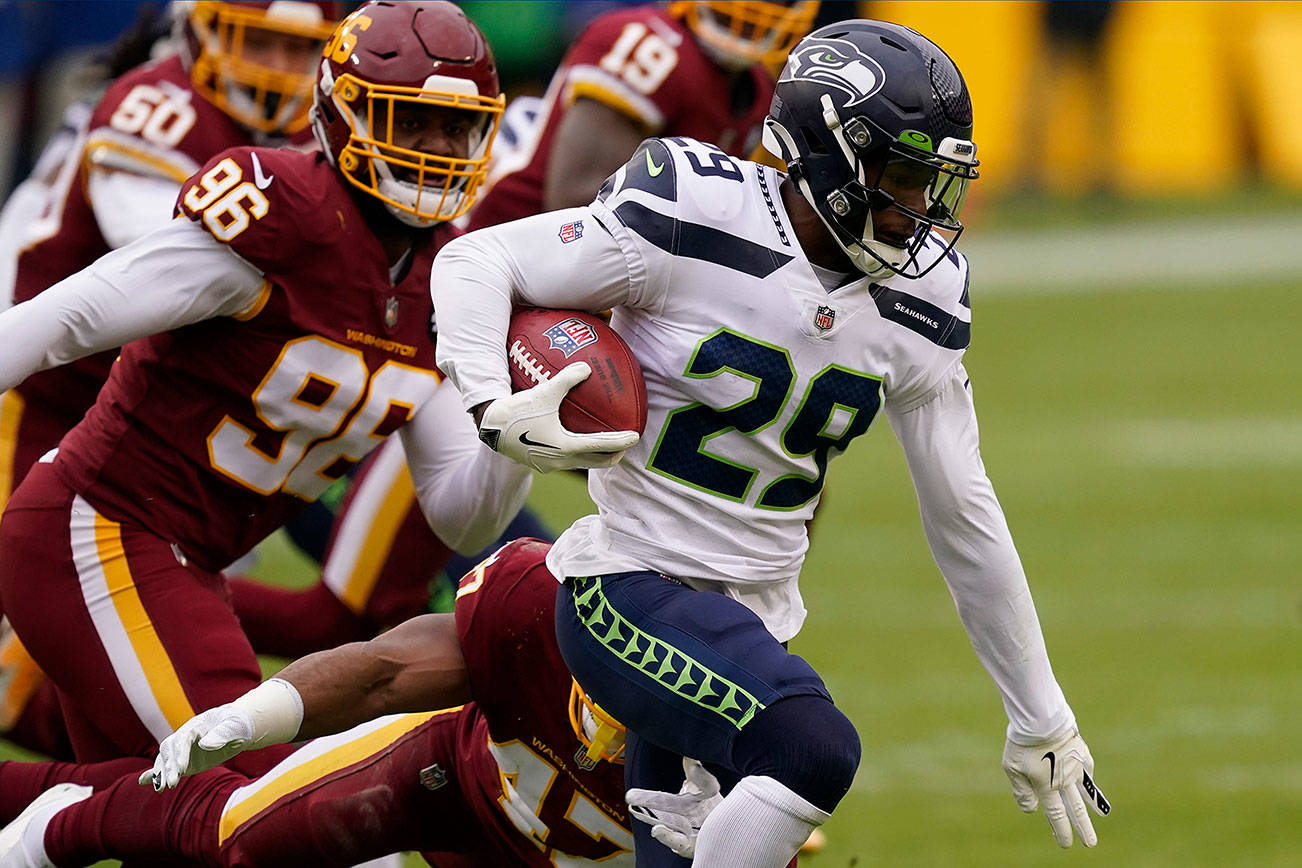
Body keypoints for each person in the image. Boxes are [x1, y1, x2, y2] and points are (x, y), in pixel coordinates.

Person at [430, 19, 1111, 867]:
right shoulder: (690, 211)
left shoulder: (924, 296)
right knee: (811, 747)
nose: (921, 214)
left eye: (934, 183)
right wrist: (493, 402)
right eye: (902, 178)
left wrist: (1041, 712)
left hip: (750, 622)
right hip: (626, 584)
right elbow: (475, 262)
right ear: (828, 157)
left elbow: (964, 515)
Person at [0, 0, 530, 779]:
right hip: (98, 532)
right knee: (262, 801)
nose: (437, 149)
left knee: (154, 821)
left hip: (191, 563)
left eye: (457, 128)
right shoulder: (283, 210)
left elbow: (461, 516)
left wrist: (512, 434)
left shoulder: (455, 278)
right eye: (410, 122)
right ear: (344, 116)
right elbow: (69, 318)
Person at [0, 0, 341, 757]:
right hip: (47, 393)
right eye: (259, 44)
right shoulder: (158, 107)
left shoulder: (304, 133)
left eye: (297, 51)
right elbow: (166, 266)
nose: (279, 71)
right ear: (200, 31)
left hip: (161, 417)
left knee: (121, 672)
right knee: (28, 676)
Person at [0, 539, 637, 867]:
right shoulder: (539, 600)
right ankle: (55, 828)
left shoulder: (734, 765)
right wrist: (253, 717)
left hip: (545, 852)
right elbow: (381, 674)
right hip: (454, 772)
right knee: (237, 833)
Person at [466, 0, 820, 230]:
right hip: (519, 244)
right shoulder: (647, 45)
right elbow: (577, 201)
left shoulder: (760, 87)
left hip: (621, 278)